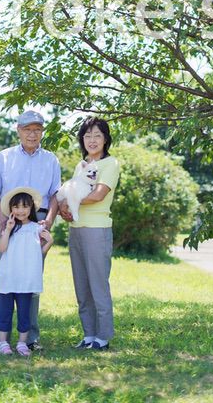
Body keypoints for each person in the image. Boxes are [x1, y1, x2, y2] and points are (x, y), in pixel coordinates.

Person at [0, 110, 61, 351]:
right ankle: (0, 339)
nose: (32, 133)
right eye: (27, 129)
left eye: (37, 129)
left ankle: (30, 339)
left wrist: (48, 220)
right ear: (18, 130)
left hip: (37, 222)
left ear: (42, 133)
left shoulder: (51, 159)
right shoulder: (4, 157)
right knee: (4, 278)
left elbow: (56, 194)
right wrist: (0, 217)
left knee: (32, 279)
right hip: (8, 219)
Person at [59, 116, 120, 351]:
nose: (92, 140)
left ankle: (103, 337)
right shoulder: (81, 164)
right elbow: (71, 193)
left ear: (105, 139)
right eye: (87, 135)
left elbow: (97, 195)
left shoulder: (110, 164)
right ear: (81, 140)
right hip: (76, 229)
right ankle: (88, 335)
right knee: (82, 287)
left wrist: (71, 203)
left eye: (97, 135)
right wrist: (65, 207)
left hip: (97, 230)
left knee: (98, 285)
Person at [0, 186, 54, 355]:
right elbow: (2, 248)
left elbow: (39, 253)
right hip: (8, 277)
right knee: (5, 312)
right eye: (17, 207)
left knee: (24, 313)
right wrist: (8, 229)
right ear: (11, 209)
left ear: (31, 208)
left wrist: (49, 242)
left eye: (25, 206)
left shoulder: (37, 228)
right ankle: (3, 342)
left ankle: (22, 343)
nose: (21, 210)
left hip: (26, 278)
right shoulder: (9, 227)